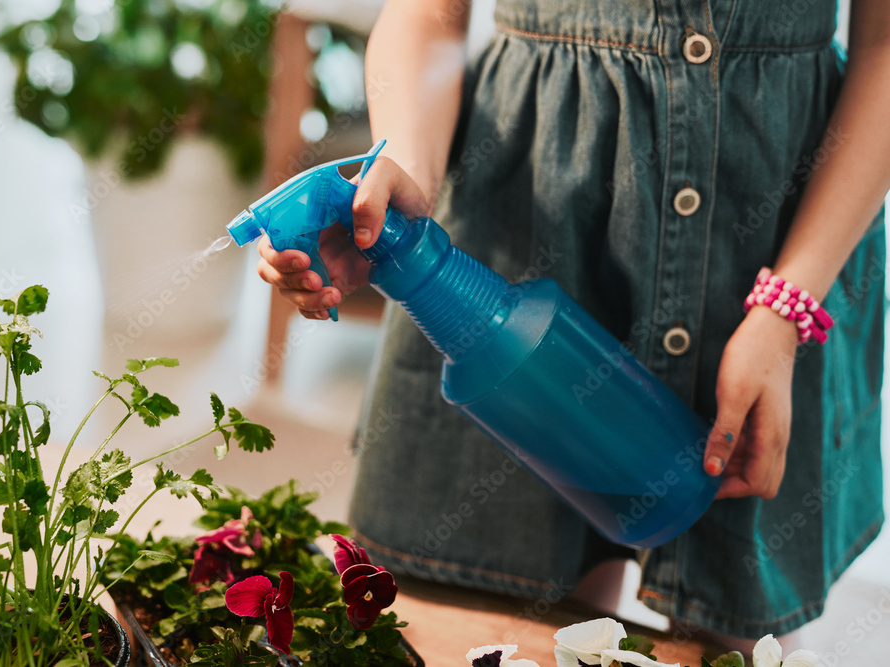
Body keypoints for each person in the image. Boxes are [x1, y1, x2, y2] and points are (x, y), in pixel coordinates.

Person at [256, 0, 888, 649]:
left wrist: (786, 308)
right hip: (524, 223)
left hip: (780, 243)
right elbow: (427, 13)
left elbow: (884, 48)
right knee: (505, 633)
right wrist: (405, 187)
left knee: (722, 641)